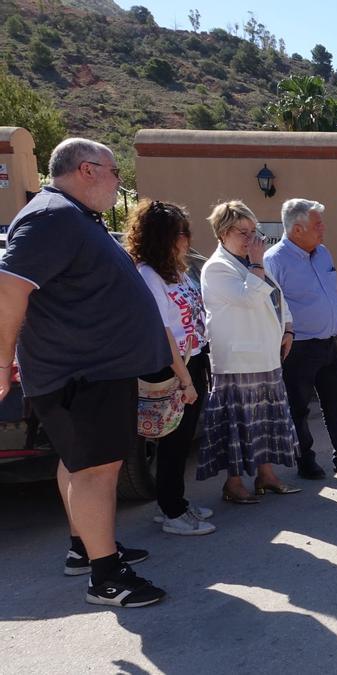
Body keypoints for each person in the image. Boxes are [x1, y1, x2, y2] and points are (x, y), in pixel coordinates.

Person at [0, 138, 172, 607]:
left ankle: (86, 548)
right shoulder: (51, 215)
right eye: (116, 174)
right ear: (89, 169)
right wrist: (2, 361)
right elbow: (10, 288)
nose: (120, 185)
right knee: (97, 472)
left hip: (90, 372)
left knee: (78, 465)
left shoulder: (71, 217)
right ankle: (106, 577)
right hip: (81, 374)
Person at [195, 201, 301, 504]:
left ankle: (266, 477)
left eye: (255, 232)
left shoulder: (251, 262)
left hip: (265, 356)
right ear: (224, 233)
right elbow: (248, 299)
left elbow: (276, 296)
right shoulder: (217, 267)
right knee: (238, 423)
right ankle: (234, 482)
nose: (253, 239)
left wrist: (289, 327)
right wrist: (256, 263)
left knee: (265, 419)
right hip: (238, 361)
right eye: (245, 232)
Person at [265, 198, 337, 478]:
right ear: (297, 229)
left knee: (336, 402)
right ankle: (305, 460)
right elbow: (271, 307)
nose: (323, 229)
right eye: (317, 225)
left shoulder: (323, 253)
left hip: (328, 343)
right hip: (297, 347)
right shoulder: (274, 260)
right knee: (299, 408)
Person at [126, 200, 214, 536]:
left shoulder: (175, 270)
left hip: (194, 359)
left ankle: (173, 502)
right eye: (181, 232)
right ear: (162, 236)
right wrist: (185, 379)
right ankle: (173, 511)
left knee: (181, 439)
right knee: (173, 440)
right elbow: (163, 332)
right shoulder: (148, 275)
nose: (187, 239)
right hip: (173, 366)